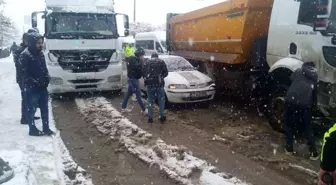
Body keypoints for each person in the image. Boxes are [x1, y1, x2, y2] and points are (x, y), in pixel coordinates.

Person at [19, 32, 54, 136]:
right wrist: (36, 82)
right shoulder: (24, 56)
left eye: (41, 42)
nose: (41, 45)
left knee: (45, 109)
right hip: (31, 89)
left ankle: (46, 128)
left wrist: (47, 78)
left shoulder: (40, 54)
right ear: (32, 43)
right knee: (31, 110)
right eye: (38, 43)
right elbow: (24, 74)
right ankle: (32, 129)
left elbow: (44, 69)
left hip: (42, 88)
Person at [283, 61, 319, 160]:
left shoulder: (298, 71)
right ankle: (314, 153)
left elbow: (291, 81)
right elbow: (314, 95)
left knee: (288, 123)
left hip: (290, 100)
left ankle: (289, 148)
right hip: (305, 104)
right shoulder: (314, 78)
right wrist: (314, 107)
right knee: (307, 127)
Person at [142, 53, 168, 123]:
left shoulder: (146, 62)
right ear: (157, 57)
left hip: (149, 85)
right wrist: (161, 77)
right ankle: (161, 116)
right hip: (159, 85)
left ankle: (150, 118)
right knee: (161, 100)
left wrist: (147, 78)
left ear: (151, 56)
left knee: (150, 100)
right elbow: (166, 72)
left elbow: (143, 73)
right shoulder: (161, 61)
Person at [121, 47, 147, 114]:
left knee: (128, 94)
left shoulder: (133, 58)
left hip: (132, 79)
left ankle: (123, 108)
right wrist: (141, 61)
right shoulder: (133, 59)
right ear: (139, 55)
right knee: (138, 95)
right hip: (133, 79)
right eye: (142, 55)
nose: (143, 56)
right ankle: (144, 110)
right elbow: (137, 67)